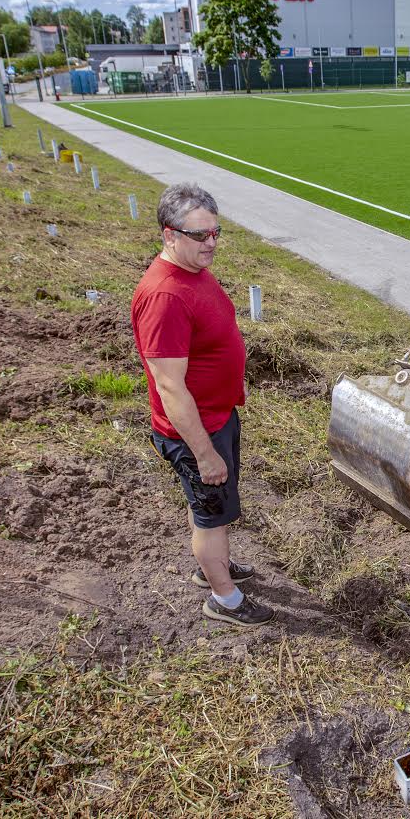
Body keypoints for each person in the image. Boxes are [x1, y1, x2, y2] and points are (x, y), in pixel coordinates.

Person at [131, 182, 274, 627]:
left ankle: (215, 566)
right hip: (196, 432)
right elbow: (170, 386)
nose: (211, 243)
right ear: (168, 234)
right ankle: (224, 599)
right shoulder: (165, 296)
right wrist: (204, 452)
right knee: (211, 514)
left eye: (215, 232)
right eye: (199, 235)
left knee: (217, 505)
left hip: (217, 417)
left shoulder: (192, 271)